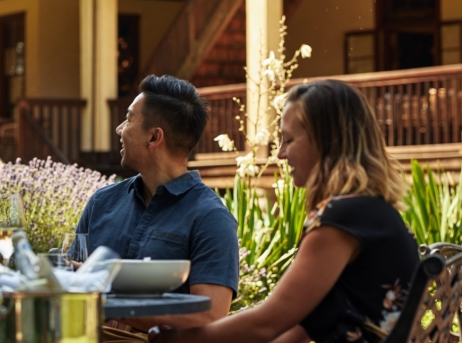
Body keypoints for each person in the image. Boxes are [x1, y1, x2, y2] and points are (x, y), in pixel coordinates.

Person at [150, 79, 420, 343]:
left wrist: (180, 338)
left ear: (327, 141)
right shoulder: (370, 210)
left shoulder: (342, 218)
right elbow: (304, 328)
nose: (280, 154)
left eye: (288, 139)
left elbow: (266, 324)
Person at [75, 75, 239, 339]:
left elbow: (210, 318)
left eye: (128, 119)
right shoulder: (101, 203)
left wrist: (109, 305)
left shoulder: (211, 218)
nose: (119, 129)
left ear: (154, 137)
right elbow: (73, 285)